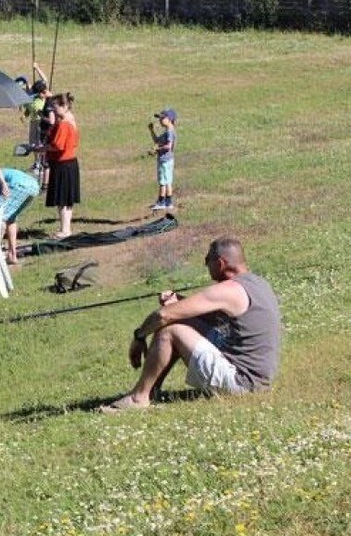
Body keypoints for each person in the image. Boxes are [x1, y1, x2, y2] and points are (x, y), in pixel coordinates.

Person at [99, 237, 281, 412]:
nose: (205, 265)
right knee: (178, 319)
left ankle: (138, 398)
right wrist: (179, 301)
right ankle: (151, 391)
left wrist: (139, 336)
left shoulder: (228, 290)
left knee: (170, 330)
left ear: (220, 263)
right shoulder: (258, 284)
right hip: (258, 381)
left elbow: (163, 315)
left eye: (207, 260)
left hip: (242, 383)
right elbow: (213, 319)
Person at [40, 93, 80, 239]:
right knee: (67, 200)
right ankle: (66, 228)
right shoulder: (70, 120)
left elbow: (57, 145)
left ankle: (65, 230)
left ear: (64, 106)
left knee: (62, 200)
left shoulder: (64, 124)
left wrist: (40, 148)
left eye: (55, 107)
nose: (54, 110)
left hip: (62, 164)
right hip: (69, 164)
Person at [149, 108, 177, 211]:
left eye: (162, 118)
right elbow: (157, 141)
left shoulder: (169, 132)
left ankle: (161, 202)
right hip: (167, 160)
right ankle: (168, 202)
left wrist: (157, 149)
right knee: (168, 181)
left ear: (169, 119)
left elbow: (168, 146)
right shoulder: (168, 131)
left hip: (165, 160)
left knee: (163, 182)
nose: (160, 120)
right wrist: (152, 131)